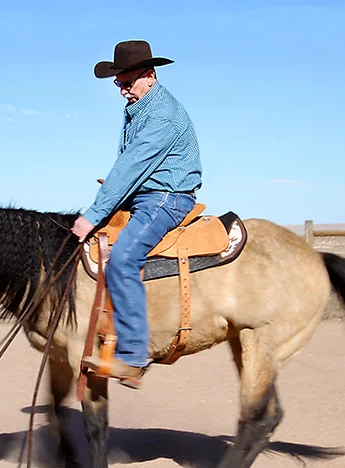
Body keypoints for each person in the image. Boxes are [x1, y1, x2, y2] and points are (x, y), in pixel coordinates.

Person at [71, 40, 202, 387]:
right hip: (144, 195)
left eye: (127, 82)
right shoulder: (140, 109)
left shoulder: (161, 115)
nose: (122, 90)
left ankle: (133, 356)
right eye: (119, 84)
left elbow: (129, 168)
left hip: (166, 198)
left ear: (150, 75)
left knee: (124, 259)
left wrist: (93, 213)